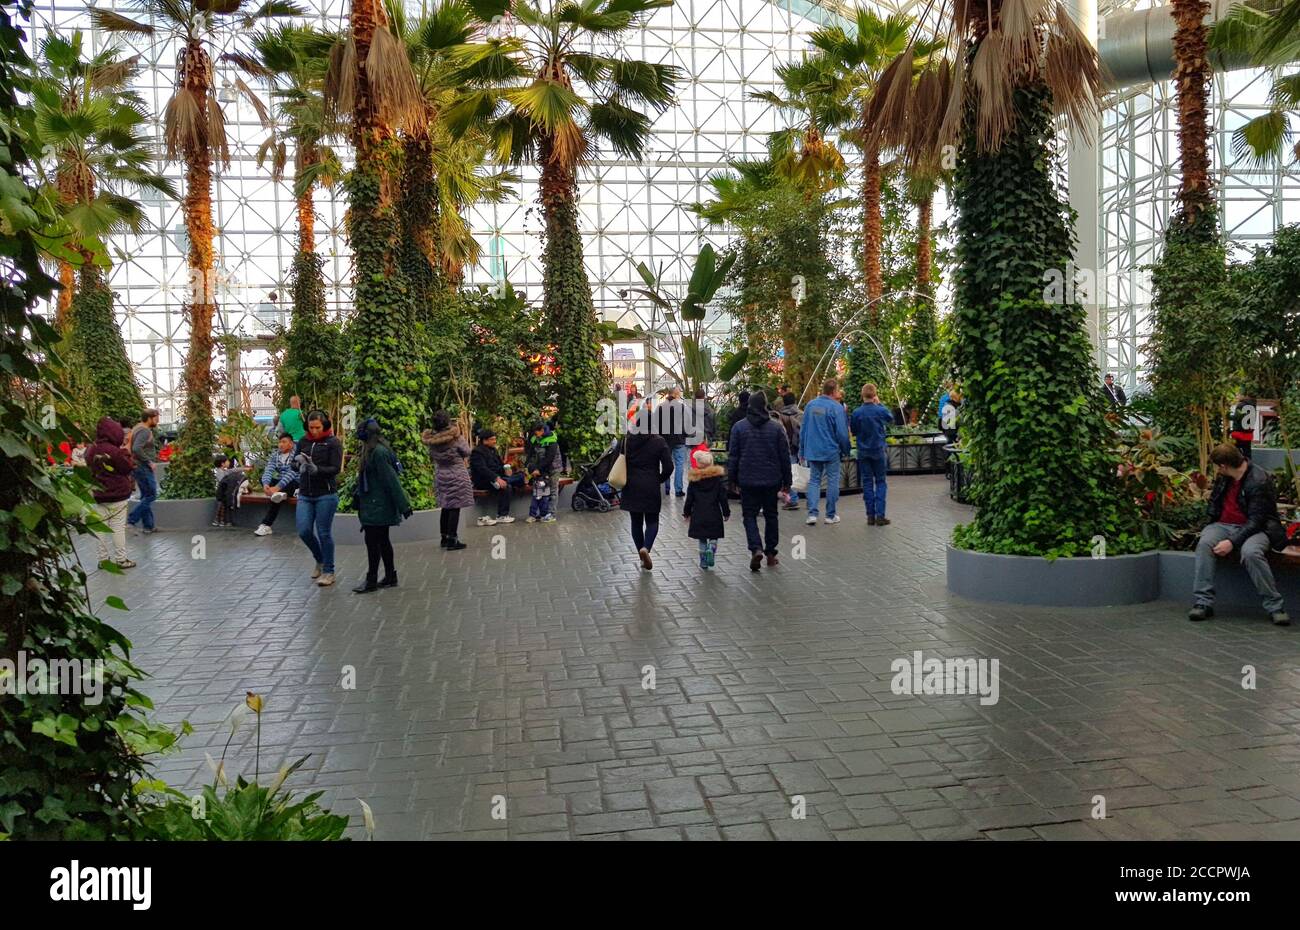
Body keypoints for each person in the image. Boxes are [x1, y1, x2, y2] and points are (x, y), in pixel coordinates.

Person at [1189, 443, 1290, 626]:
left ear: (1223, 465)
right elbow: (1215, 502)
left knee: (1251, 553)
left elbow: (1256, 520)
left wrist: (1231, 542)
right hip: (1223, 525)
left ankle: (1275, 606)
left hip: (1257, 528)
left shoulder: (1259, 480)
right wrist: (1209, 524)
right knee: (1205, 544)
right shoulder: (1224, 477)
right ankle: (1203, 602)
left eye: (1218, 467)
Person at [727, 391, 792, 572]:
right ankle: (771, 554)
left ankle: (756, 548)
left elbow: (733, 456)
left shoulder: (739, 428)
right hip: (772, 479)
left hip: (747, 479)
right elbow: (784, 456)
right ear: (764, 406)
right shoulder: (776, 428)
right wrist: (788, 481)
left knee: (749, 516)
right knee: (771, 515)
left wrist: (731, 479)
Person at [352, 418, 412, 593]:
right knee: (383, 540)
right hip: (375, 504)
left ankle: (371, 580)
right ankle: (390, 576)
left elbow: (391, 480)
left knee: (373, 542)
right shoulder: (376, 449)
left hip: (377, 505)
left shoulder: (377, 453)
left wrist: (404, 505)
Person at [621, 407, 674, 570]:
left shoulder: (627, 440)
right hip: (650, 484)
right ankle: (646, 548)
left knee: (636, 522)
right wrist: (659, 479)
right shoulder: (658, 441)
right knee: (652, 521)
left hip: (631, 485)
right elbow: (669, 467)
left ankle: (641, 554)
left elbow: (619, 460)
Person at [295, 410, 344, 586]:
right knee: (304, 531)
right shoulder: (303, 441)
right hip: (305, 494)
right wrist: (298, 464)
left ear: (324, 426)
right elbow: (294, 462)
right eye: (311, 427)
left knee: (324, 532)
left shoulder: (333, 443)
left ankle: (329, 571)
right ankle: (320, 559)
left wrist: (318, 470)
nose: (314, 431)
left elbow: (336, 468)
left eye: (317, 427)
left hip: (326, 494)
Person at [799, 378, 851, 526]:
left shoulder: (810, 406)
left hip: (813, 450)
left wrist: (802, 450)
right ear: (834, 391)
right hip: (831, 450)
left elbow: (803, 429)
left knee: (814, 481)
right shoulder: (836, 408)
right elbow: (842, 433)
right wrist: (846, 450)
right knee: (832, 480)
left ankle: (812, 514)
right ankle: (830, 515)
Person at [87, 416, 136, 569]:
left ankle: (103, 560)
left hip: (98, 495)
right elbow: (127, 468)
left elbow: (88, 464)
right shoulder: (116, 452)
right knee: (118, 528)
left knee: (100, 528)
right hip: (118, 495)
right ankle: (121, 559)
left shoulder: (91, 449)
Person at [423, 411, 473, 550]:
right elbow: (467, 451)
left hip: (441, 474)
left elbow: (432, 456)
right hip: (456, 473)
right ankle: (453, 539)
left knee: (445, 506)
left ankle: (444, 537)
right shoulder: (455, 437)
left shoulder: (432, 440)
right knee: (454, 507)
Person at [851, 382, 895, 525]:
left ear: (862, 395)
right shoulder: (879, 410)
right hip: (878, 450)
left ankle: (870, 516)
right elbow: (890, 418)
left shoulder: (857, 412)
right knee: (881, 482)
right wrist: (880, 404)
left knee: (867, 483)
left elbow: (854, 431)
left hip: (863, 451)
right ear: (874, 395)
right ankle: (880, 515)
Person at [684, 449, 729, 570]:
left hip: (698, 514)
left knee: (702, 539)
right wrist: (726, 512)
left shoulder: (694, 481)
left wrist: (686, 513)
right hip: (714, 514)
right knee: (713, 536)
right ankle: (712, 547)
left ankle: (703, 562)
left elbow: (689, 499)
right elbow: (723, 498)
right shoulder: (717, 481)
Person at [470, 429, 524, 526]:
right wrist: (496, 478)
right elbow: (482, 470)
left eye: (495, 439)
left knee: (520, 476)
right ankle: (502, 516)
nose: (494, 441)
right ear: (485, 440)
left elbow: (500, 465)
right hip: (485, 480)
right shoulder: (477, 452)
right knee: (507, 486)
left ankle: (508, 480)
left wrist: (506, 469)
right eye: (492, 439)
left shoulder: (494, 450)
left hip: (499, 477)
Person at [254, 433, 299, 536]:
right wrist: (266, 484)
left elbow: (292, 473)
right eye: (279, 442)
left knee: (279, 493)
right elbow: (269, 469)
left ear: (291, 444)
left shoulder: (297, 455)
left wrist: (277, 487)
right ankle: (280, 494)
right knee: (267, 482)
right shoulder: (276, 455)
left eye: (284, 442)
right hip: (281, 484)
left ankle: (266, 524)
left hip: (294, 483)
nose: (281, 445)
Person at [126, 408, 160, 534]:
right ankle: (131, 520)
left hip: (138, 466)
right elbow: (136, 448)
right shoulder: (145, 431)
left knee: (145, 496)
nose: (157, 420)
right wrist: (149, 461)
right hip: (143, 467)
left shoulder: (137, 428)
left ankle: (148, 526)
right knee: (152, 494)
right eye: (156, 418)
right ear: (149, 418)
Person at [654, 386, 691, 498]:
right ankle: (679, 490)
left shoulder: (660, 407)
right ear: (675, 395)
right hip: (679, 440)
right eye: (679, 393)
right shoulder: (682, 407)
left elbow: (655, 424)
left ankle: (666, 488)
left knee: (666, 463)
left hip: (664, 441)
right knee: (680, 464)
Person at [524, 419, 560, 524]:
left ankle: (551, 514)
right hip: (538, 469)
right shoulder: (535, 439)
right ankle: (542, 514)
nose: (536, 435)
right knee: (540, 492)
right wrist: (530, 467)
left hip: (552, 469)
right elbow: (530, 455)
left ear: (543, 430)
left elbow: (549, 458)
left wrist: (538, 469)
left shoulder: (552, 440)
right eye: (535, 433)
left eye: (537, 432)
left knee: (553, 491)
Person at [774, 392, 803, 510]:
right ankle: (808, 499)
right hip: (799, 447)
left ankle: (792, 499)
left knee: (789, 473)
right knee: (801, 472)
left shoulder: (779, 416)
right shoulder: (801, 414)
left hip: (786, 448)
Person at [212, 454, 248, 527]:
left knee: (223, 507)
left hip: (224, 493)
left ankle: (222, 521)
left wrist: (243, 468)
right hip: (221, 494)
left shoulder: (224, 471)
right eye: (227, 461)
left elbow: (232, 470)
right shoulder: (220, 472)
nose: (229, 462)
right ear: (222, 463)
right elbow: (223, 480)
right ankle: (218, 521)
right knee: (221, 507)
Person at [1229, 392, 1256, 460]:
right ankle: (1249, 467)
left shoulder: (1241, 405)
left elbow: (1238, 417)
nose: (1237, 396)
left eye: (1238, 395)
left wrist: (1227, 416)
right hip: (1248, 433)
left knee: (1236, 452)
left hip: (1239, 433)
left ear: (1243, 396)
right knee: (1247, 453)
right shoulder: (1253, 404)